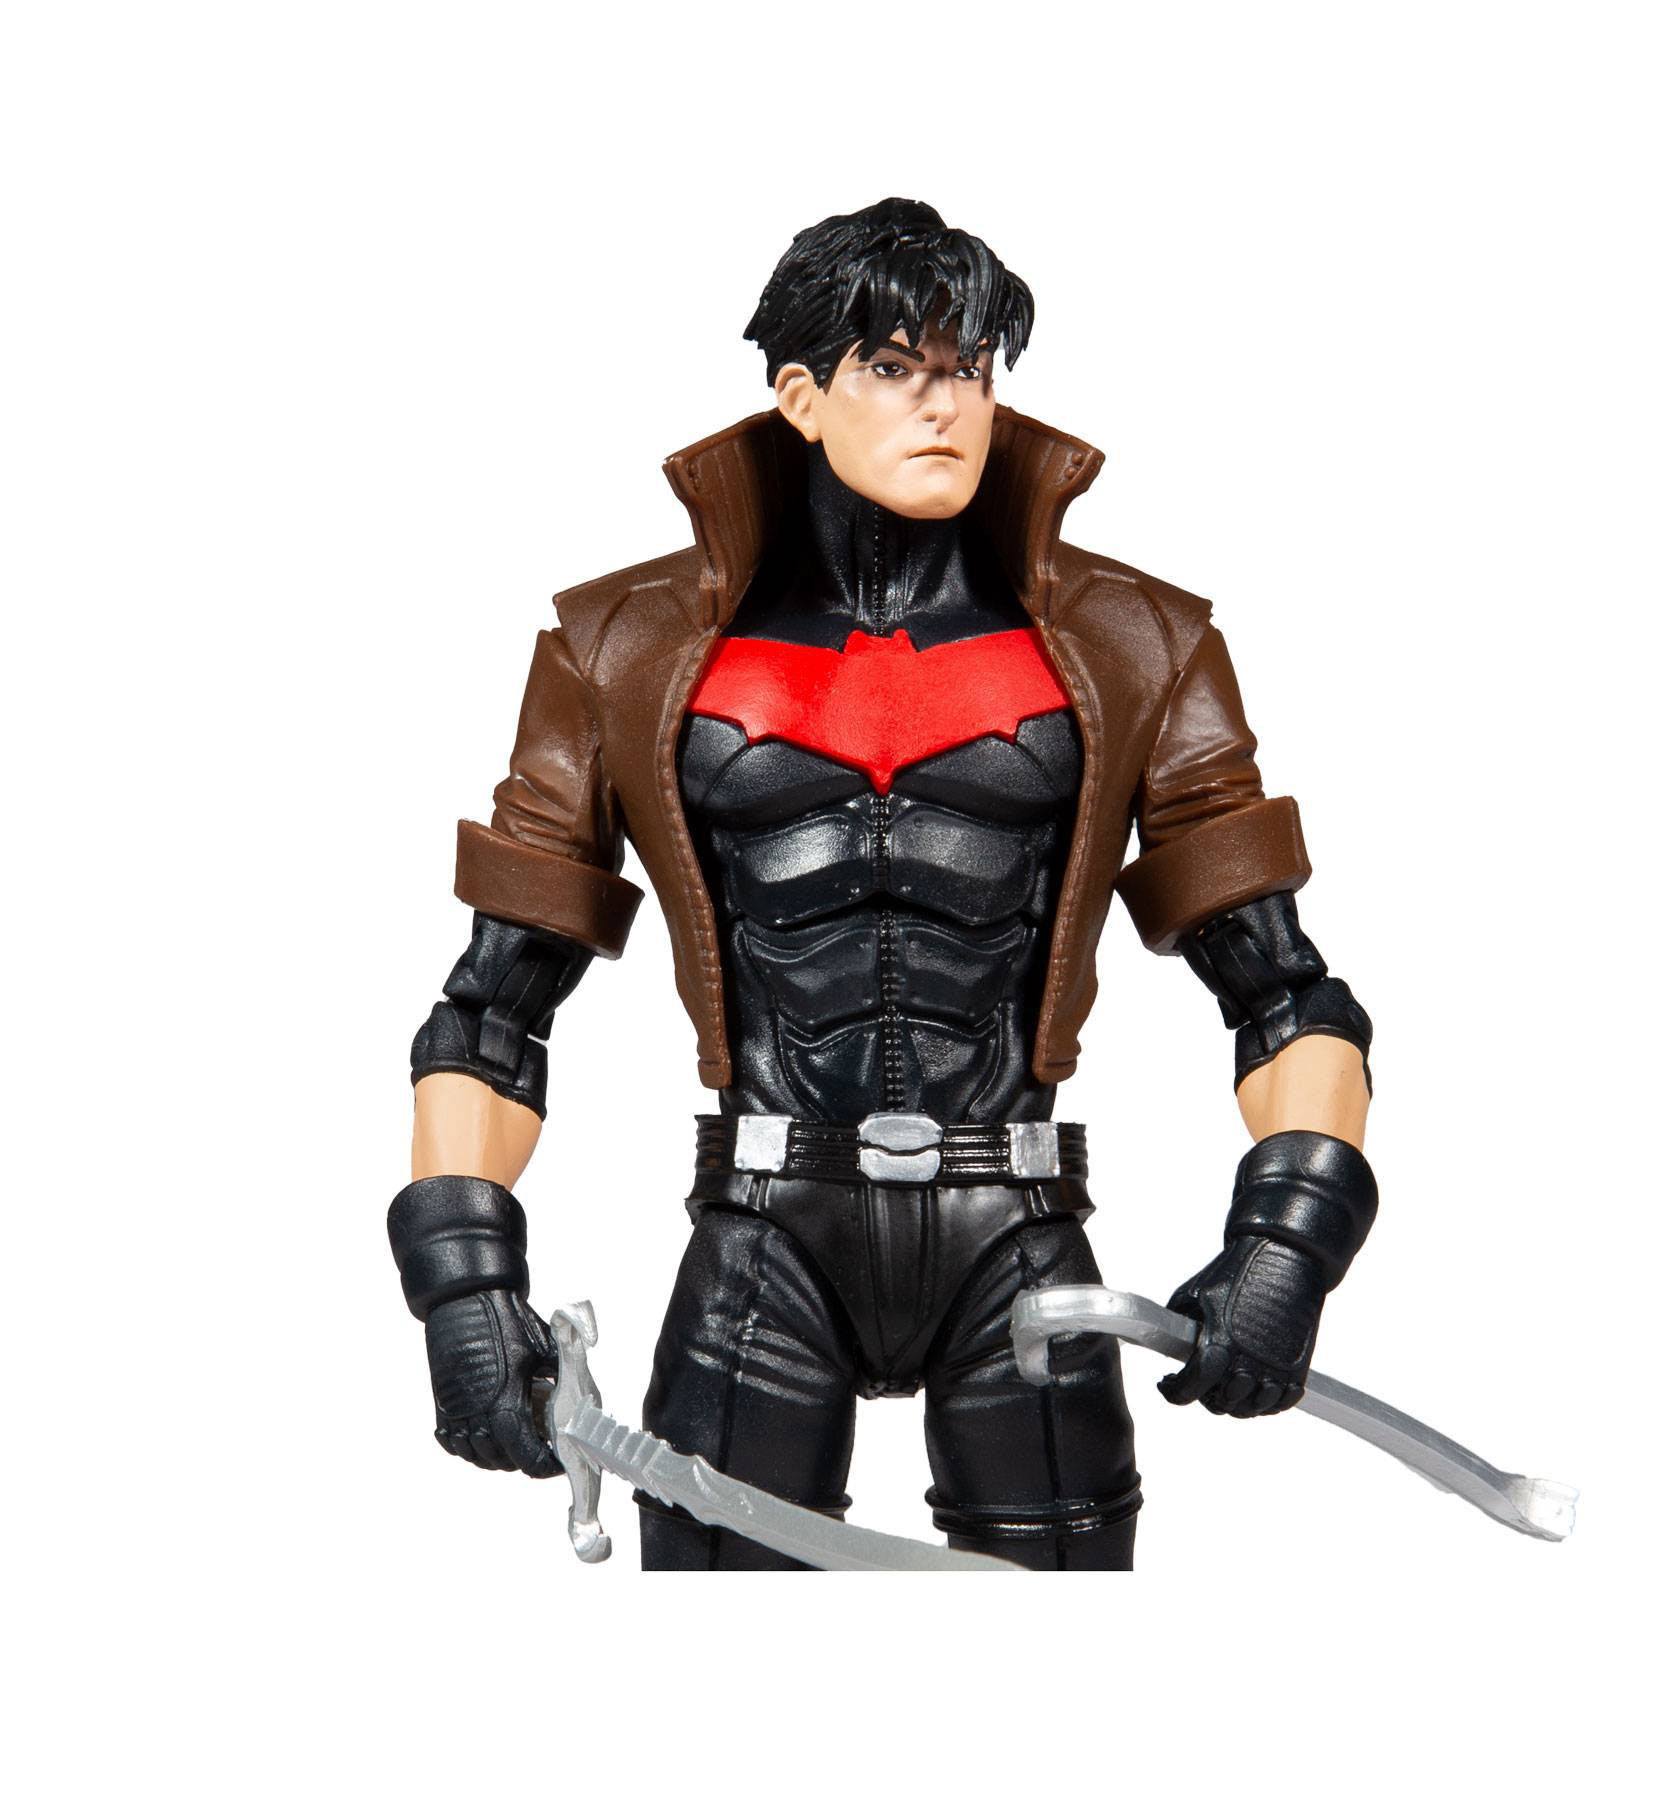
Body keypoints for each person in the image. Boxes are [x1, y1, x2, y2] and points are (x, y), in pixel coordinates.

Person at [387, 198, 1379, 1570]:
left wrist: (1290, 1235)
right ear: (802, 396)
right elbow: (493, 1013)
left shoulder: (1138, 642)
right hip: (764, 1231)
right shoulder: (619, 647)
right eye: (896, 368)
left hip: (1015, 1232)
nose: (944, 405)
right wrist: (463, 1282)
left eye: (969, 369)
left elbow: (1285, 996)